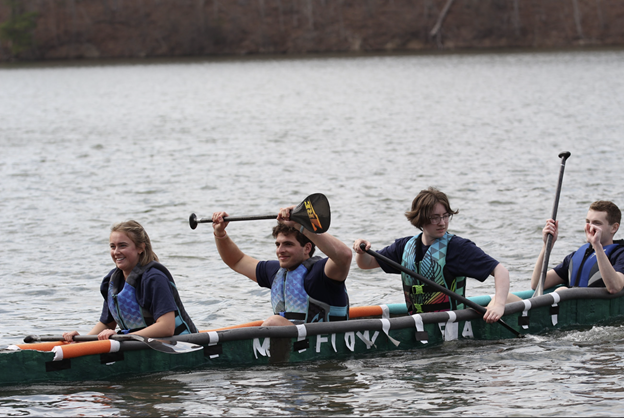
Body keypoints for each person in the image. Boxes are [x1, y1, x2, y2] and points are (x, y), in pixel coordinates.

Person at [353, 187, 514, 324]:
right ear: (421, 219)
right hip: (417, 322)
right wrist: (362, 251)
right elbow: (366, 264)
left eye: (445, 216)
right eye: (435, 217)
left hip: (453, 323)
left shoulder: (458, 248)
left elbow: (501, 271)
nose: (442, 222)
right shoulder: (404, 247)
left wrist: (498, 304)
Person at [211, 205, 352, 326]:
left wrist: (300, 225)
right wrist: (220, 233)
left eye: (288, 244)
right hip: (292, 343)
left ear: (307, 248)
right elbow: (237, 261)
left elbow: (344, 256)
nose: (280, 250)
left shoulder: (322, 272)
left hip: (325, 344)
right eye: (278, 244)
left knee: (273, 323)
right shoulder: (275, 271)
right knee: (273, 323)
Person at [63, 220, 197, 341]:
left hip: (181, 345)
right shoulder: (111, 281)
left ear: (140, 248)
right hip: (136, 343)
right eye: (112, 246)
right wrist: (81, 340)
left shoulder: (154, 279)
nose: (116, 252)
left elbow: (166, 327)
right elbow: (107, 324)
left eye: (122, 246)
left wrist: (123, 338)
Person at [531, 200, 624, 293]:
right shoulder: (576, 256)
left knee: (561, 290)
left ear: (614, 228)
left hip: (595, 306)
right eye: (588, 222)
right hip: (571, 305)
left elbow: (615, 287)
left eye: (596, 223)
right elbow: (537, 284)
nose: (590, 227)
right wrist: (547, 245)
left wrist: (597, 246)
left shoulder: (620, 255)